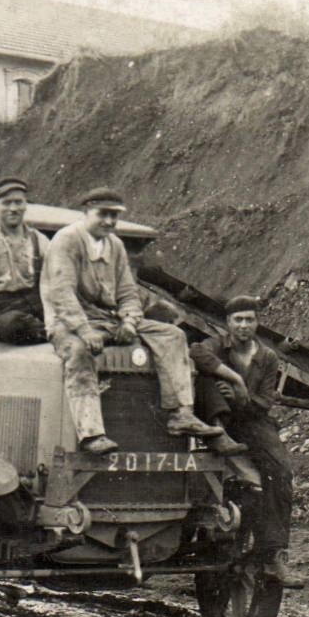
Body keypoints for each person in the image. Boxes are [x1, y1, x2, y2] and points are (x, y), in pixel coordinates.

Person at [40, 188, 224, 455]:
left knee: (172, 336)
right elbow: (61, 292)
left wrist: (128, 321)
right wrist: (83, 330)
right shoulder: (66, 240)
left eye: (113, 216)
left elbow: (128, 292)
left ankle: (181, 413)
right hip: (69, 323)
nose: (108, 222)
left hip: (108, 319)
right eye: (102, 214)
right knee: (79, 353)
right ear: (85, 212)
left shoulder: (114, 245)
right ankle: (92, 434)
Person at [191, 296, 303, 588]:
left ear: (257, 323)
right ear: (227, 323)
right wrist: (231, 378)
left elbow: (264, 402)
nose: (243, 325)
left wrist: (240, 396)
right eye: (237, 320)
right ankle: (219, 435)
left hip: (251, 420)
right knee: (207, 380)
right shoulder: (217, 345)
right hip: (218, 419)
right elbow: (196, 353)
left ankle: (273, 553)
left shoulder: (267, 357)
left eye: (249, 319)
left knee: (281, 471)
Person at [0, 177, 50, 345]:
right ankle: (50, 331)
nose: (13, 209)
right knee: (13, 326)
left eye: (18, 202)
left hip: (33, 304)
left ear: (26, 205)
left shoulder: (39, 240)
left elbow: (57, 277)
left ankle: (46, 329)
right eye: (6, 203)